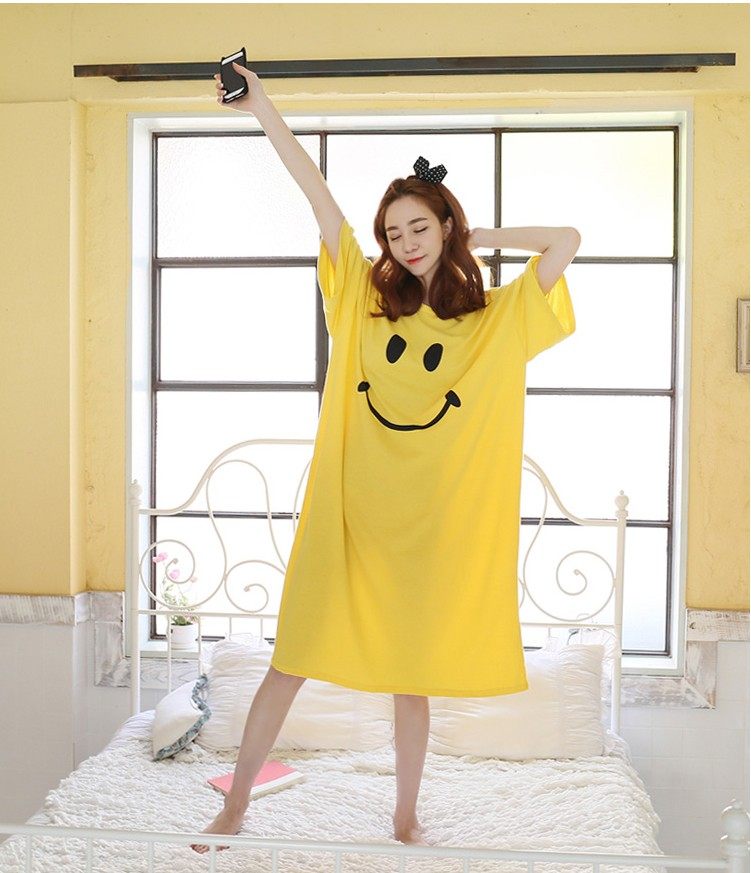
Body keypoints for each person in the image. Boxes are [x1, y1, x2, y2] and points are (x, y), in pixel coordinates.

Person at [191, 62, 578, 855]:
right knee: (288, 660)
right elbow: (317, 198)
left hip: (426, 537)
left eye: (419, 228)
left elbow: (565, 241)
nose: (404, 244)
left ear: (444, 227)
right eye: (393, 233)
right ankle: (235, 806)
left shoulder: (492, 322)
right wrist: (262, 106)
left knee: (411, 679)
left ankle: (404, 815)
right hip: (347, 523)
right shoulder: (360, 302)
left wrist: (477, 236)